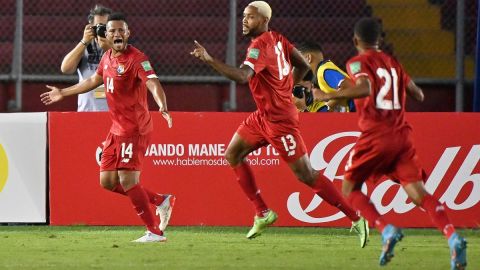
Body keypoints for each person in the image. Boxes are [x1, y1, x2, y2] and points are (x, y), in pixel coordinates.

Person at [190, 1, 369, 247]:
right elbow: (304, 65)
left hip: (281, 122)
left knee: (306, 175)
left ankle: (356, 217)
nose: (244, 20)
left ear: (263, 20)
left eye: (250, 17)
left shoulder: (259, 46)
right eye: (243, 16)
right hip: (263, 116)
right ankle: (263, 212)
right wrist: (288, 89)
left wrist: (210, 59)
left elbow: (243, 76)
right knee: (233, 153)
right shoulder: (278, 38)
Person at [314, 18, 467, 269]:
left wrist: (328, 95)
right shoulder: (394, 64)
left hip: (376, 134)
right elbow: (418, 93)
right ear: (380, 40)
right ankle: (452, 236)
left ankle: (386, 230)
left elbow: (363, 88)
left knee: (349, 188)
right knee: (419, 194)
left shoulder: (357, 62)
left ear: (355, 41)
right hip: (402, 136)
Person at [41, 12, 176, 243]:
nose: (117, 34)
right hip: (116, 130)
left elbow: (152, 82)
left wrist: (162, 105)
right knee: (107, 182)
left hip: (135, 129)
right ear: (107, 34)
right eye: (112, 30)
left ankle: (154, 232)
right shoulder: (107, 57)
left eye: (121, 30)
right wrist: (62, 92)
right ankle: (160, 200)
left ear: (128, 33)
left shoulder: (137, 59)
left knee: (128, 181)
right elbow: (93, 81)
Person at [60, 4, 111, 112]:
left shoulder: (120, 47)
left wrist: (108, 46)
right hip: (87, 111)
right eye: (98, 26)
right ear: (91, 26)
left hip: (114, 113)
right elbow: (66, 69)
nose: (102, 30)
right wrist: (84, 41)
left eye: (105, 27)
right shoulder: (84, 47)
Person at [294, 41, 355, 113]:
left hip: (357, 110)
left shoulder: (323, 70)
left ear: (308, 58)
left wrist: (329, 106)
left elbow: (350, 86)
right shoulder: (319, 75)